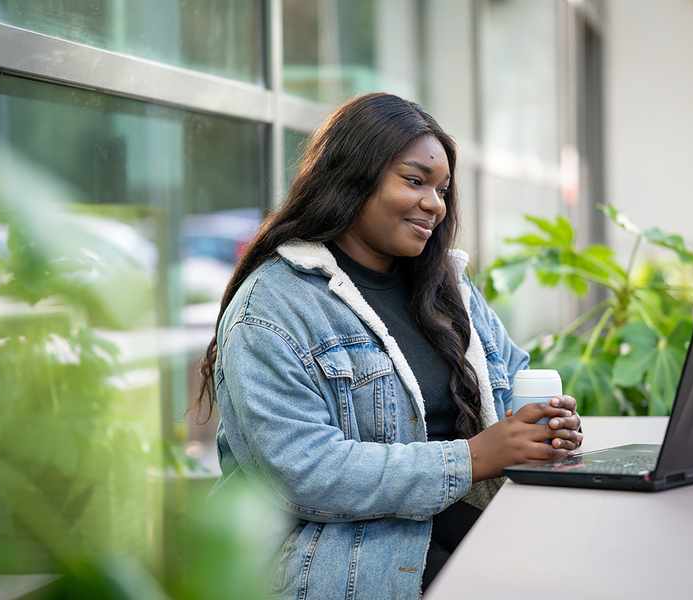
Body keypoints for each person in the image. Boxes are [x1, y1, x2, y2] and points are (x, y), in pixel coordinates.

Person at [197, 92, 583, 599]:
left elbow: (511, 372)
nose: (435, 204)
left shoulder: (446, 286)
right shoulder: (271, 307)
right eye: (415, 180)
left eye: (442, 189)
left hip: (464, 535)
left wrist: (541, 424)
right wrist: (470, 458)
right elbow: (303, 472)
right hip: (346, 569)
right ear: (354, 176)